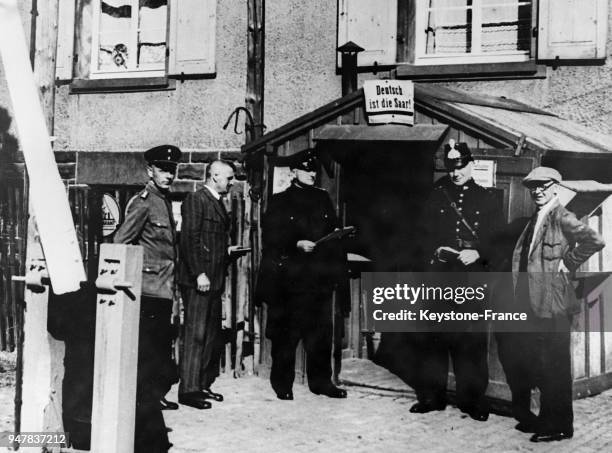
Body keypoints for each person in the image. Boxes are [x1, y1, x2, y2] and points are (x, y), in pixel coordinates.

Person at [500, 166, 604, 442]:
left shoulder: (562, 216)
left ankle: (558, 427)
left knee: (554, 367)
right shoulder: (538, 217)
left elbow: (595, 240)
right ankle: (547, 420)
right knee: (542, 364)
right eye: (533, 187)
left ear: (555, 188)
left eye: (543, 186)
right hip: (535, 302)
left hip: (554, 304)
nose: (538, 192)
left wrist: (567, 263)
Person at [408, 140, 502, 421]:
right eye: (451, 167)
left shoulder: (488, 199)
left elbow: (498, 242)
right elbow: (421, 235)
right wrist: (434, 250)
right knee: (434, 339)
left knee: (470, 341)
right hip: (440, 277)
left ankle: (472, 400)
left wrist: (478, 252)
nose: (456, 172)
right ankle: (432, 396)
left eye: (460, 165)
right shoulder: (436, 196)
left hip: (471, 279)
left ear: (471, 164)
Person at [257, 149, 349, 400]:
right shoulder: (280, 201)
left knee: (320, 336)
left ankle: (321, 382)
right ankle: (282, 384)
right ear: (294, 172)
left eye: (313, 171)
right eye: (306, 170)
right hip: (291, 281)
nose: (311, 174)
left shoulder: (322, 199)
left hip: (318, 280)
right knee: (286, 336)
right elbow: (271, 238)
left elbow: (331, 232)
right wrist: (295, 244)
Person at [114, 144, 181, 453]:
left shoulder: (163, 202)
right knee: (146, 364)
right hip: (145, 294)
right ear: (149, 171)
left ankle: (147, 428)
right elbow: (120, 243)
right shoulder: (142, 203)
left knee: (155, 363)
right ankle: (145, 435)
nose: (169, 174)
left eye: (172, 169)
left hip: (163, 293)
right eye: (163, 169)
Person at [178, 160, 244, 409]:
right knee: (195, 335)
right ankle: (189, 390)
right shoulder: (197, 199)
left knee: (209, 336)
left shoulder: (216, 201)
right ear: (214, 176)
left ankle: (202, 384)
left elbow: (209, 240)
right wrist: (198, 274)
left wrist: (227, 250)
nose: (232, 181)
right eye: (229, 177)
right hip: (200, 281)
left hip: (213, 280)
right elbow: (189, 240)